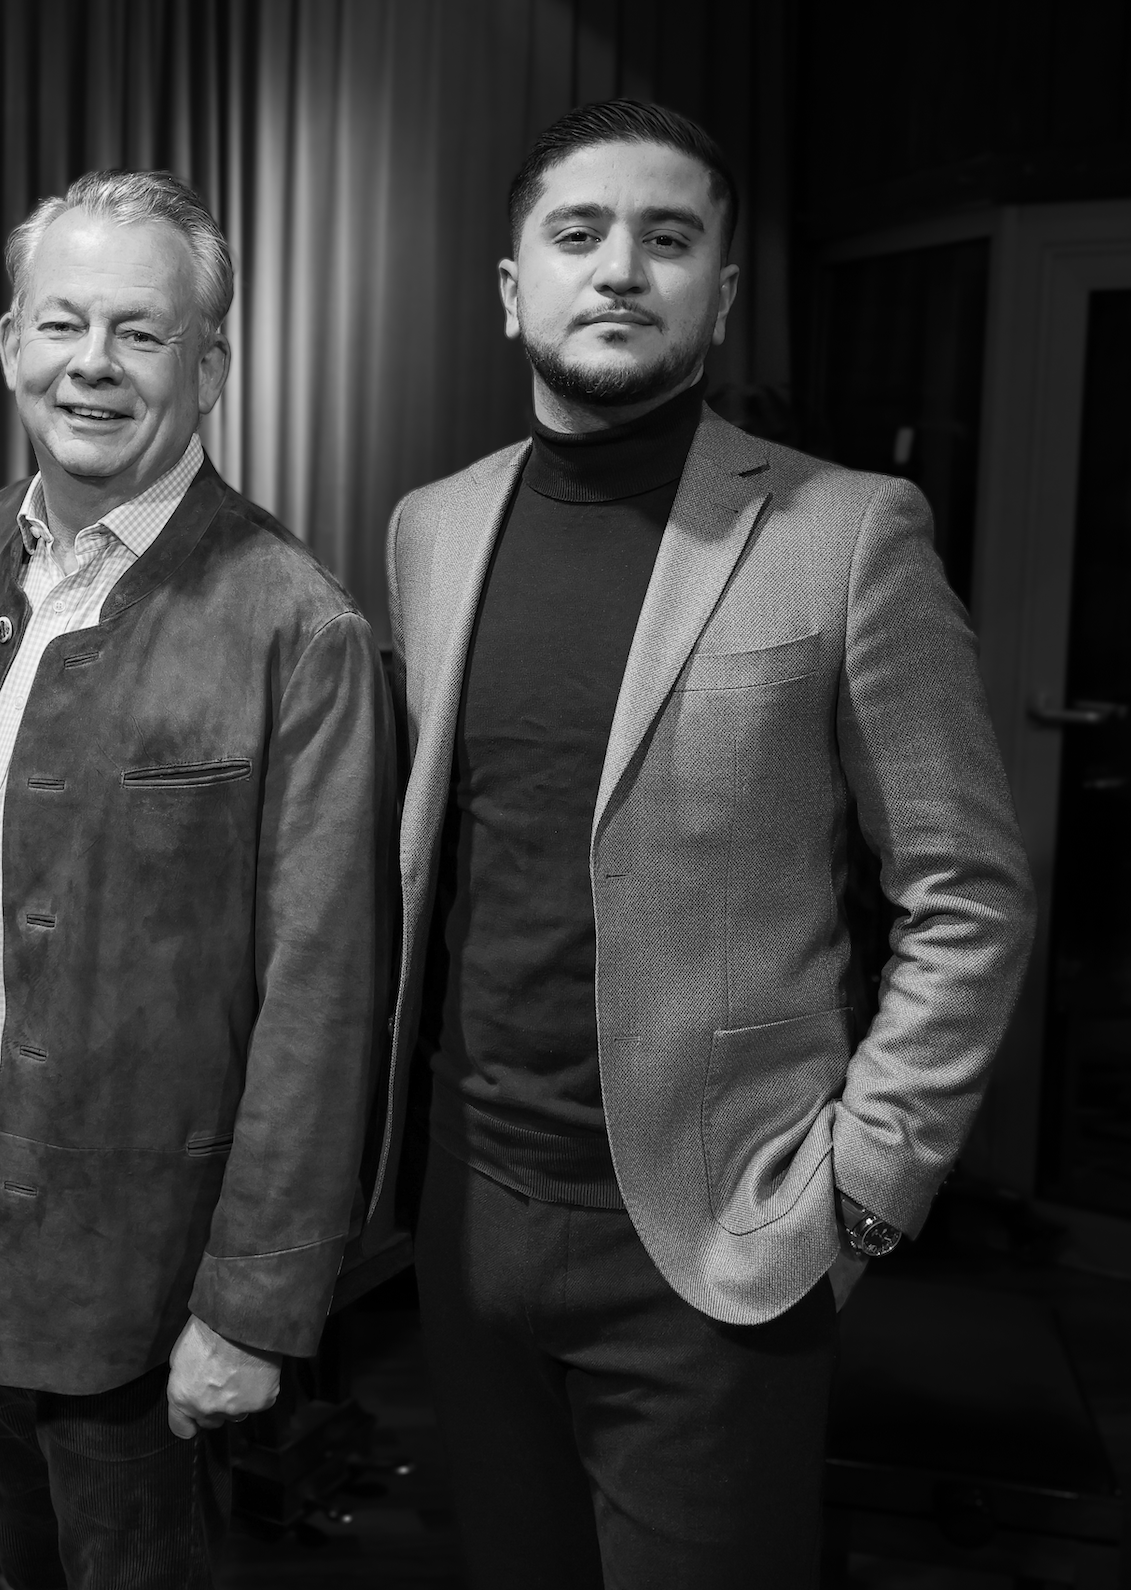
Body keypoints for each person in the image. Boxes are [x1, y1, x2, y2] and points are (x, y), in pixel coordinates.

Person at [386, 99, 1036, 1589]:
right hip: (465, 1217)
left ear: (722, 294)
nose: (622, 268)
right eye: (580, 234)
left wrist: (867, 1190)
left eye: (667, 239)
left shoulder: (847, 532)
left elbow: (969, 894)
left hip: (719, 1236)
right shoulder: (433, 528)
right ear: (513, 290)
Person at [0, 170, 393, 1590]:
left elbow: (324, 1001)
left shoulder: (294, 624)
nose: (93, 364)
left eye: (141, 332)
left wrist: (251, 1308)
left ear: (211, 367)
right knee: (6, 1557)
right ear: (9, 343)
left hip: (150, 1248)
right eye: (62, 323)